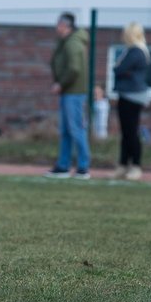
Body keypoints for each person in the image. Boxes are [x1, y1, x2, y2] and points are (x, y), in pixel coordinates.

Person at [45, 12, 91, 180]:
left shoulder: (73, 43)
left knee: (76, 129)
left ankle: (83, 167)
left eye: (58, 24)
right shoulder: (64, 42)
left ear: (65, 26)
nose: (56, 27)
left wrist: (60, 83)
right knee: (65, 131)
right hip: (68, 93)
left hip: (74, 93)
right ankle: (63, 166)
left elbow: (74, 69)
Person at [112, 21, 151, 181]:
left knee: (131, 133)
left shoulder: (136, 51)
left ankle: (135, 165)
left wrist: (120, 69)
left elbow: (119, 69)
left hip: (132, 96)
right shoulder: (134, 50)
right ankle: (123, 165)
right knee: (126, 133)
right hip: (128, 94)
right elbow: (121, 70)